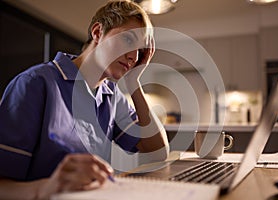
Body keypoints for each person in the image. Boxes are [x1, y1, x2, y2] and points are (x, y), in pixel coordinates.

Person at [0, 0, 170, 199]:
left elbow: (158, 152)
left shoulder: (111, 95)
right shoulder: (35, 84)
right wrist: (46, 189)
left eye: (140, 50)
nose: (134, 56)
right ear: (98, 33)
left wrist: (134, 81)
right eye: (128, 40)